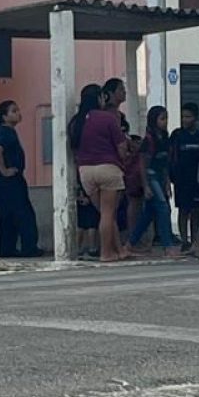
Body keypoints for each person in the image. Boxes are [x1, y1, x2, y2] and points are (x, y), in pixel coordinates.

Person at [76, 86, 130, 263]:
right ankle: (106, 253)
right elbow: (122, 147)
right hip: (107, 167)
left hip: (85, 171)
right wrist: (123, 161)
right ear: (100, 98)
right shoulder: (107, 118)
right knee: (108, 213)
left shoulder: (76, 121)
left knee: (105, 213)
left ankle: (119, 250)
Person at [0, 100, 42, 258]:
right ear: (4, 116)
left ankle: (7, 248)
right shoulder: (6, 131)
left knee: (7, 214)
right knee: (24, 213)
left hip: (1, 179)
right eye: (13, 111)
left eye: (18, 110)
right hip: (10, 179)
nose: (18, 113)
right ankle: (29, 247)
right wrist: (4, 170)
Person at [127, 106, 178, 258]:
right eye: (162, 119)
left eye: (166, 118)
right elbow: (143, 163)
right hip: (151, 176)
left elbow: (165, 163)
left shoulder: (164, 137)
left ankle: (130, 243)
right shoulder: (149, 140)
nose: (165, 122)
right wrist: (146, 185)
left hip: (161, 176)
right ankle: (168, 246)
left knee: (149, 213)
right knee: (163, 208)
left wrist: (167, 182)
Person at [69, 84, 103, 260]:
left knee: (83, 208)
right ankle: (92, 247)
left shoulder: (76, 121)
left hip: (80, 168)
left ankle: (79, 248)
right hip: (97, 167)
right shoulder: (98, 120)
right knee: (94, 209)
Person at [170, 102, 199, 254]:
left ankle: (195, 240)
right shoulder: (177, 135)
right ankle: (184, 241)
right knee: (183, 210)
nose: (185, 120)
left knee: (196, 210)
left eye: (188, 117)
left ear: (196, 118)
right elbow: (171, 157)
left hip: (197, 180)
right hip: (181, 179)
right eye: (183, 117)